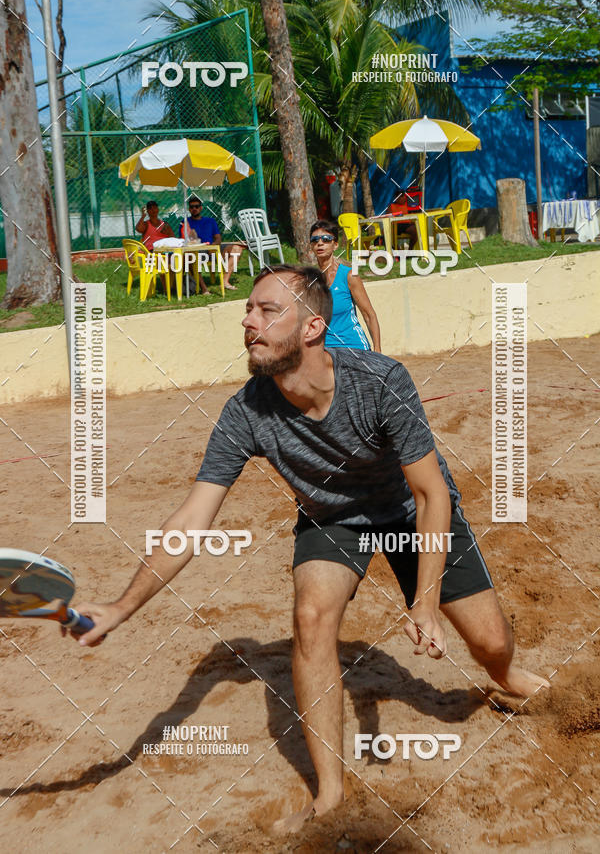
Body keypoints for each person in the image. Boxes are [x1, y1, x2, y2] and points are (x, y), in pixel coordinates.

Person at [70, 264, 549, 836]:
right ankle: (330, 794)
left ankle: (510, 675)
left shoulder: (380, 381)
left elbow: (430, 494)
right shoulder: (244, 412)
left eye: (268, 311)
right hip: (333, 520)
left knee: (492, 644)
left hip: (410, 511)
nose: (249, 322)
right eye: (248, 310)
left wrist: (422, 603)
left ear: (314, 326)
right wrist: (121, 608)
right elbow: (191, 520)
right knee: (311, 615)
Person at [310, 219, 381, 352]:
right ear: (311, 246)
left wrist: (378, 350)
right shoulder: (310, 280)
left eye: (326, 239)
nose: (320, 243)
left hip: (353, 346)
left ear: (335, 245)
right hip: (324, 350)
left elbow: (369, 314)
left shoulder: (348, 275)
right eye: (315, 240)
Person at [180, 196, 245, 292]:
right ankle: (204, 289)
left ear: (201, 208)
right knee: (189, 257)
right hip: (196, 250)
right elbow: (183, 240)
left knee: (237, 248)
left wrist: (213, 246)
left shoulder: (210, 221)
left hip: (212, 248)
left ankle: (224, 282)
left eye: (197, 206)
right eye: (192, 207)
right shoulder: (185, 222)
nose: (194, 209)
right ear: (189, 209)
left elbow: (218, 238)